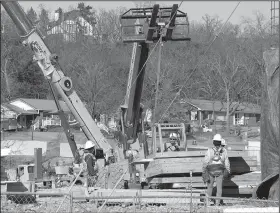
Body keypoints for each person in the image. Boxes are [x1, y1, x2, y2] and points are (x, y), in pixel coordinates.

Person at [202, 134, 230, 206]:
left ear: (213, 142)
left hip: (210, 170)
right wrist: (228, 171)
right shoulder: (224, 151)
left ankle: (208, 204)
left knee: (210, 187)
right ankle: (217, 204)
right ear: (220, 142)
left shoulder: (209, 150)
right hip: (220, 170)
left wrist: (204, 171)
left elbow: (205, 161)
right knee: (219, 188)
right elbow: (227, 162)